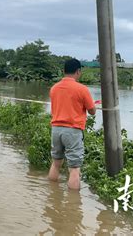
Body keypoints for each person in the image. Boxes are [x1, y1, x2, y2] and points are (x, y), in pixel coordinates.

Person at [48, 58, 96, 190]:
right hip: (73, 130)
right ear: (78, 71)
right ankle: (73, 204)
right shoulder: (82, 89)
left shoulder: (54, 88)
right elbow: (92, 111)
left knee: (56, 163)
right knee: (74, 168)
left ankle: (52, 193)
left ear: (63, 71)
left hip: (56, 129)